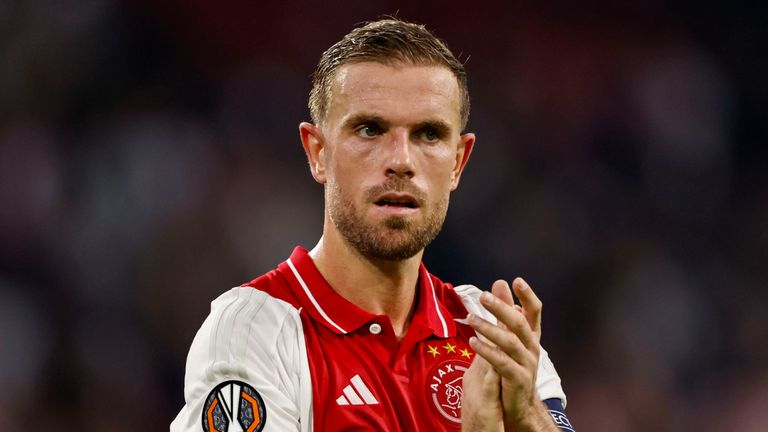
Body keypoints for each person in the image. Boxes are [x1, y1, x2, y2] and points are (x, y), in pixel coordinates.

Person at [171, 18, 574, 432]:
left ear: (458, 162)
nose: (400, 160)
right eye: (370, 129)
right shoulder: (255, 333)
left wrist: (528, 419)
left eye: (428, 134)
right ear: (317, 152)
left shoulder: (493, 335)